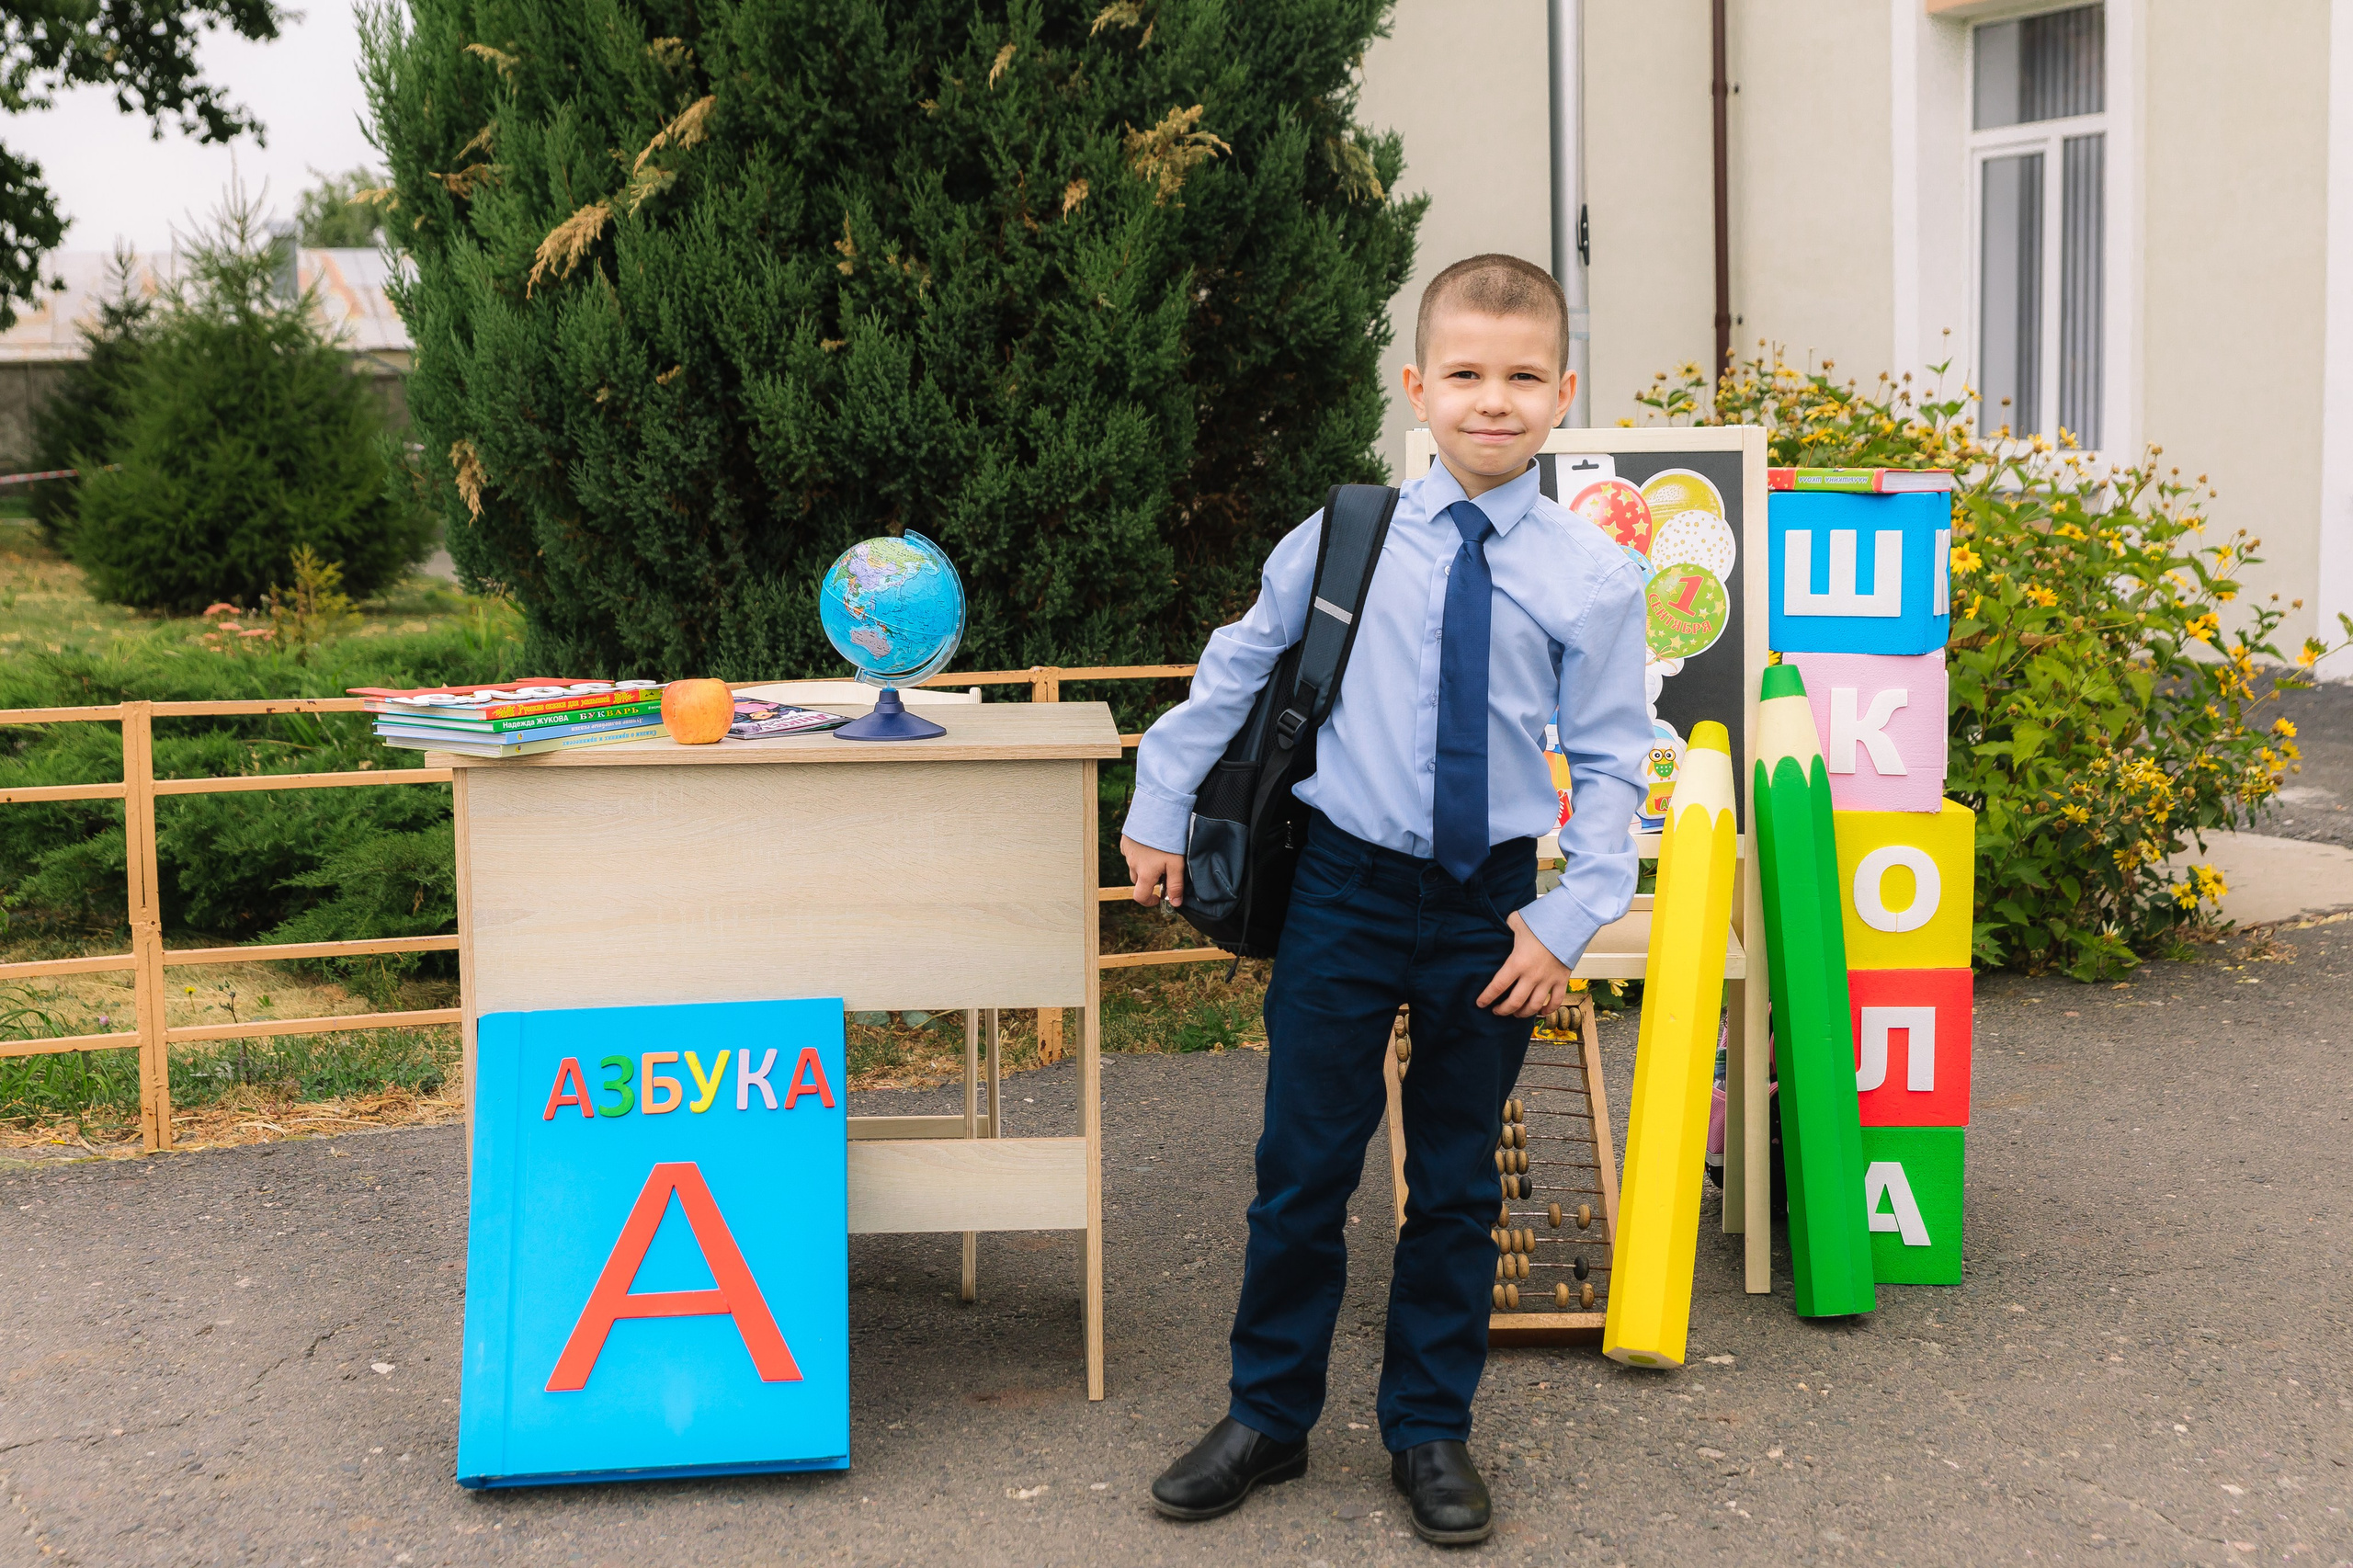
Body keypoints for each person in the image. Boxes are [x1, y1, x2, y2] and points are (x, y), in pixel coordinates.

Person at [1118, 253, 1651, 1546]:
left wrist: (1569, 917)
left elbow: (1618, 758)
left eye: (1523, 377)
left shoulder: (1591, 577)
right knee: (1301, 1165)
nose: (1493, 401)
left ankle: (1429, 1428)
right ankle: (1269, 1415)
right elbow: (1237, 668)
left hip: (1490, 909)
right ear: (1418, 386)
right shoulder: (1347, 534)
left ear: (1562, 392)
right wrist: (1156, 802)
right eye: (1464, 374)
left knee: (1461, 1182)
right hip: (1345, 893)